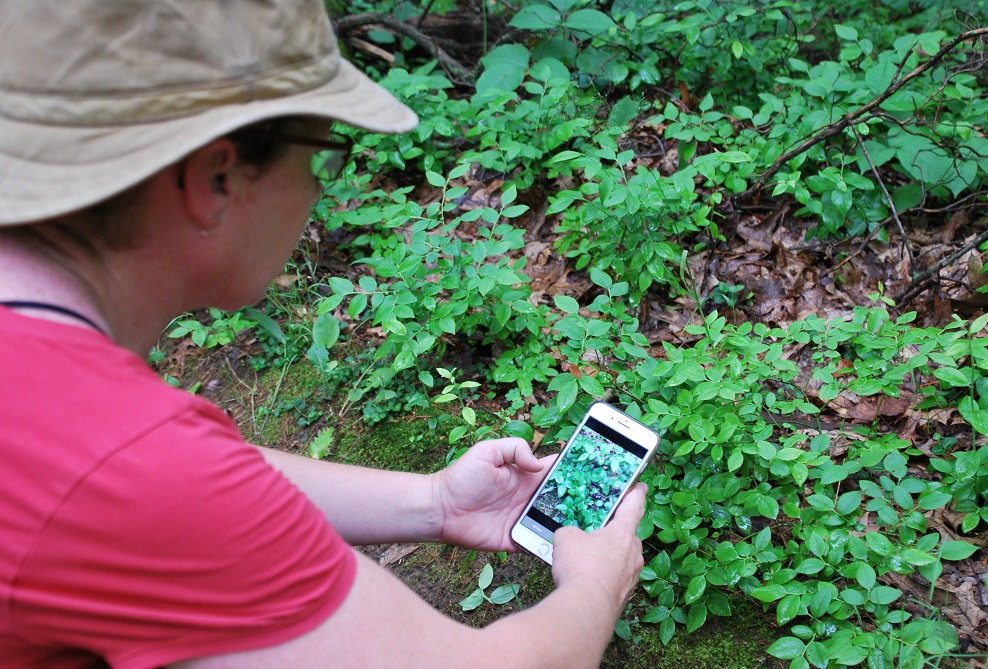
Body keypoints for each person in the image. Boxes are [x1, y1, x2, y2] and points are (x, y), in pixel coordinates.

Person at [0, 1, 647, 667]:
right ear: (214, 181)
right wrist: (597, 583)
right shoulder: (126, 466)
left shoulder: (78, 421)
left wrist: (430, 503)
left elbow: (174, 489)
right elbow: (155, 487)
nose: (319, 196)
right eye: (322, 156)